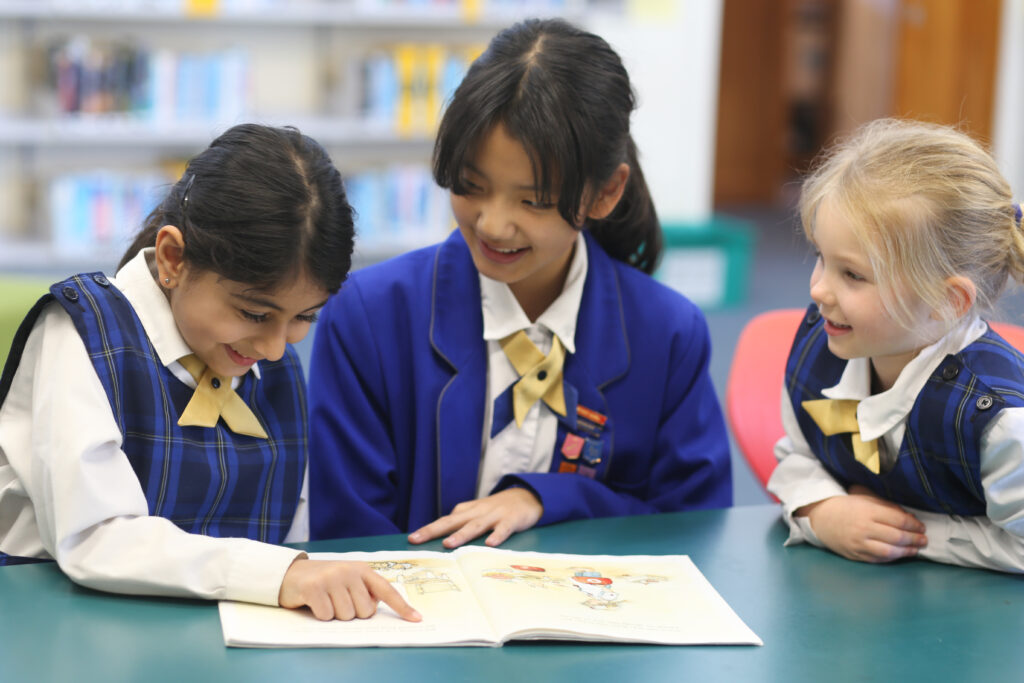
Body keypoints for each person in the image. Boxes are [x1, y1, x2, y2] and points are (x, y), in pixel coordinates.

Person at [308, 18, 732, 549]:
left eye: (532, 201)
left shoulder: (668, 334)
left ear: (604, 194)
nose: (492, 224)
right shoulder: (369, 317)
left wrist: (545, 499)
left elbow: (696, 528)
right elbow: (348, 541)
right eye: (470, 185)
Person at [0, 124, 419, 622]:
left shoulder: (271, 361)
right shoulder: (79, 336)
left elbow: (291, 531)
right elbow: (95, 537)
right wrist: (279, 575)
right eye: (254, 313)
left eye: (305, 316)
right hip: (56, 631)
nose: (273, 345)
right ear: (174, 258)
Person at [768, 118, 1024, 572]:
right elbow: (798, 455)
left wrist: (917, 535)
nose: (819, 292)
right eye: (820, 258)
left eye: (852, 274)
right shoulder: (823, 343)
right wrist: (822, 511)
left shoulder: (1001, 420)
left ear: (947, 300)